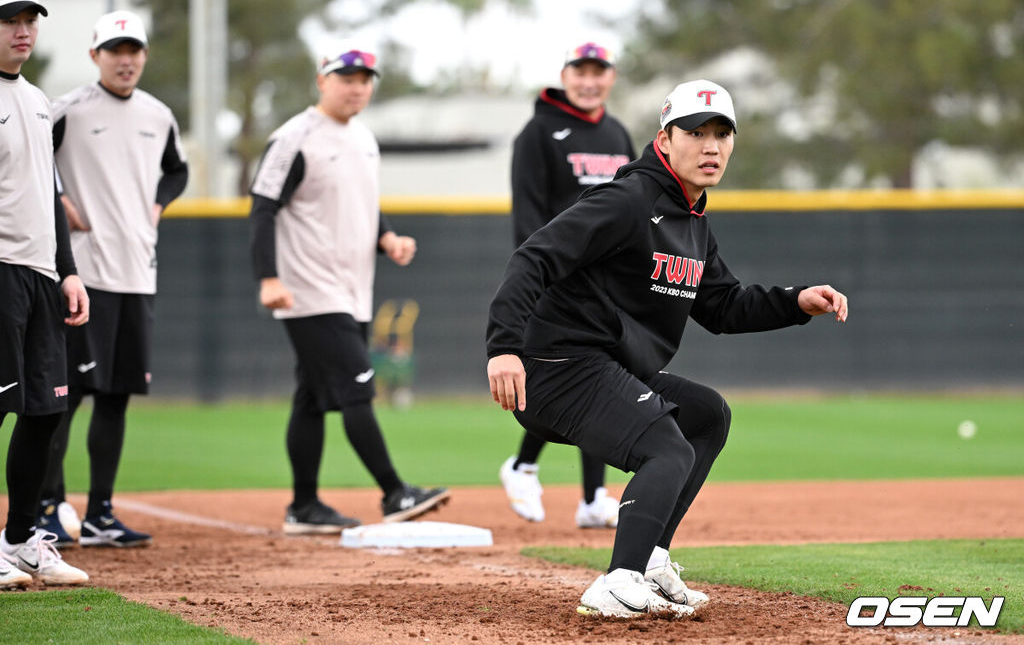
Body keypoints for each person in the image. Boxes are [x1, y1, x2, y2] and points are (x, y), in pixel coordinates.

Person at [485, 79, 848, 618]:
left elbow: (723, 307)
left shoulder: (694, 222)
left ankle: (651, 561)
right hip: (555, 366)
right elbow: (533, 257)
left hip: (602, 367)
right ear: (664, 139)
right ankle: (617, 580)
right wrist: (504, 347)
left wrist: (797, 302)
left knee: (705, 416)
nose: (711, 146)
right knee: (667, 446)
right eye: (695, 132)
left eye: (722, 134)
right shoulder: (628, 200)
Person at [249, 41, 449, 534]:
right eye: (347, 77)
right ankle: (394, 492)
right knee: (359, 388)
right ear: (322, 81)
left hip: (352, 288)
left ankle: (304, 506)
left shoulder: (363, 138)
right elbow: (262, 206)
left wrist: (387, 238)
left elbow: (360, 204)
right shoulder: (295, 137)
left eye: (365, 79)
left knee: (312, 397)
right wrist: (269, 278)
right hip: (309, 290)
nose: (357, 86)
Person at [34, 10, 189, 550]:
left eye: (134, 50)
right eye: (115, 50)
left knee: (117, 396)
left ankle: (100, 512)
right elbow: (32, 163)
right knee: (67, 395)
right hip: (84, 272)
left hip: (135, 272)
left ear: (144, 55)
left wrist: (156, 205)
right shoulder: (68, 110)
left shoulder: (158, 114)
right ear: (95, 55)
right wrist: (59, 201)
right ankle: (47, 506)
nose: (126, 59)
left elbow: (178, 169)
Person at [499, 42, 635, 528]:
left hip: (606, 281)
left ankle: (594, 496)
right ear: (565, 75)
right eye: (580, 71)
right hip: (556, 276)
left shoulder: (618, 133)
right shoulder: (539, 132)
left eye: (599, 72)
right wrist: (538, 272)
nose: (589, 80)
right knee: (564, 375)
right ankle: (523, 465)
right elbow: (528, 212)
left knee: (603, 375)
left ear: (610, 78)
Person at [0, 0, 90, 587]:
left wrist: (68, 270)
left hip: (38, 274)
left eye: (30, 19)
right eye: (10, 19)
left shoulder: (35, 100)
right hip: (0, 271)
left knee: (45, 411)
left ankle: (20, 540)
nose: (23, 29)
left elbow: (49, 192)